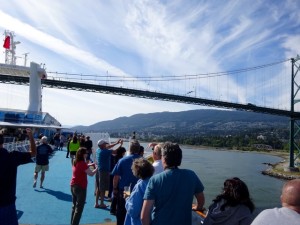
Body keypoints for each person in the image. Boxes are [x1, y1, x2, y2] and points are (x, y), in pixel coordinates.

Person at [141, 142, 205, 225]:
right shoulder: (191, 175)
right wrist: (198, 207)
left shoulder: (155, 180)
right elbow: (201, 199)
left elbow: (144, 216)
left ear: (164, 158)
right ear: (180, 158)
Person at [0, 128, 36, 225]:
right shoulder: (12, 157)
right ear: (2, 143)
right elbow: (33, 152)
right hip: (7, 204)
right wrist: (31, 136)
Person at [112, 140, 142, 225]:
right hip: (138, 190)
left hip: (126, 189)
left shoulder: (122, 160)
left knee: (122, 210)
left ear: (130, 149)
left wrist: (114, 189)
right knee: (137, 211)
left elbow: (116, 177)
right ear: (139, 149)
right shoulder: (143, 161)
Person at [70, 147, 97, 225]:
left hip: (73, 185)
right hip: (80, 187)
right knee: (79, 209)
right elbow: (91, 174)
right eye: (86, 153)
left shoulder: (75, 161)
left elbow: (82, 166)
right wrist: (97, 169)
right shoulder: (82, 163)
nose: (87, 154)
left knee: (74, 207)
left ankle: (72, 223)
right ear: (83, 154)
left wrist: (89, 164)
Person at [124, 158, 154, 225]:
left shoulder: (140, 186)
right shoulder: (153, 183)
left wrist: (127, 198)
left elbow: (134, 210)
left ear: (137, 170)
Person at [95, 139, 122, 209]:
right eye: (105, 144)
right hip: (104, 171)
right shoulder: (105, 152)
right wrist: (120, 145)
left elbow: (108, 147)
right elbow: (115, 152)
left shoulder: (98, 150)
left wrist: (116, 143)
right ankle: (101, 204)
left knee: (99, 187)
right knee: (103, 188)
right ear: (102, 145)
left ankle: (96, 203)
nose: (106, 145)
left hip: (98, 170)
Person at [110, 145, 127, 215]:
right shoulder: (121, 160)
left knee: (115, 194)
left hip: (116, 179)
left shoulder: (116, 158)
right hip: (122, 181)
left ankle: (113, 209)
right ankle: (118, 209)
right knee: (122, 196)